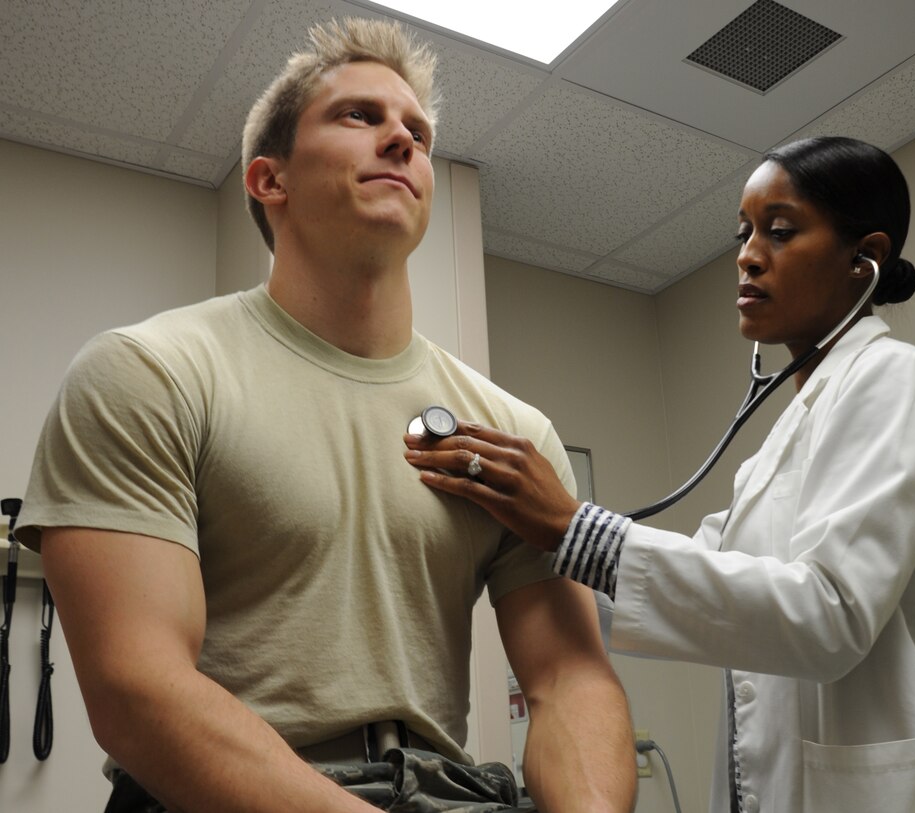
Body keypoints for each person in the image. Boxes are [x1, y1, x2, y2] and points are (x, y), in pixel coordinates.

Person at [15, 18, 636, 813]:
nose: (403, 141)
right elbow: (139, 691)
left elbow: (567, 677)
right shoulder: (149, 372)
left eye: (416, 130)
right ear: (269, 180)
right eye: (360, 117)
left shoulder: (513, 433)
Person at [404, 136, 915, 813]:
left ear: (865, 258)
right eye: (744, 232)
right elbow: (702, 587)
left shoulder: (900, 383)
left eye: (781, 231)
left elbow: (829, 615)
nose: (747, 253)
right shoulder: (777, 452)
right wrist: (533, 529)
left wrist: (571, 523)